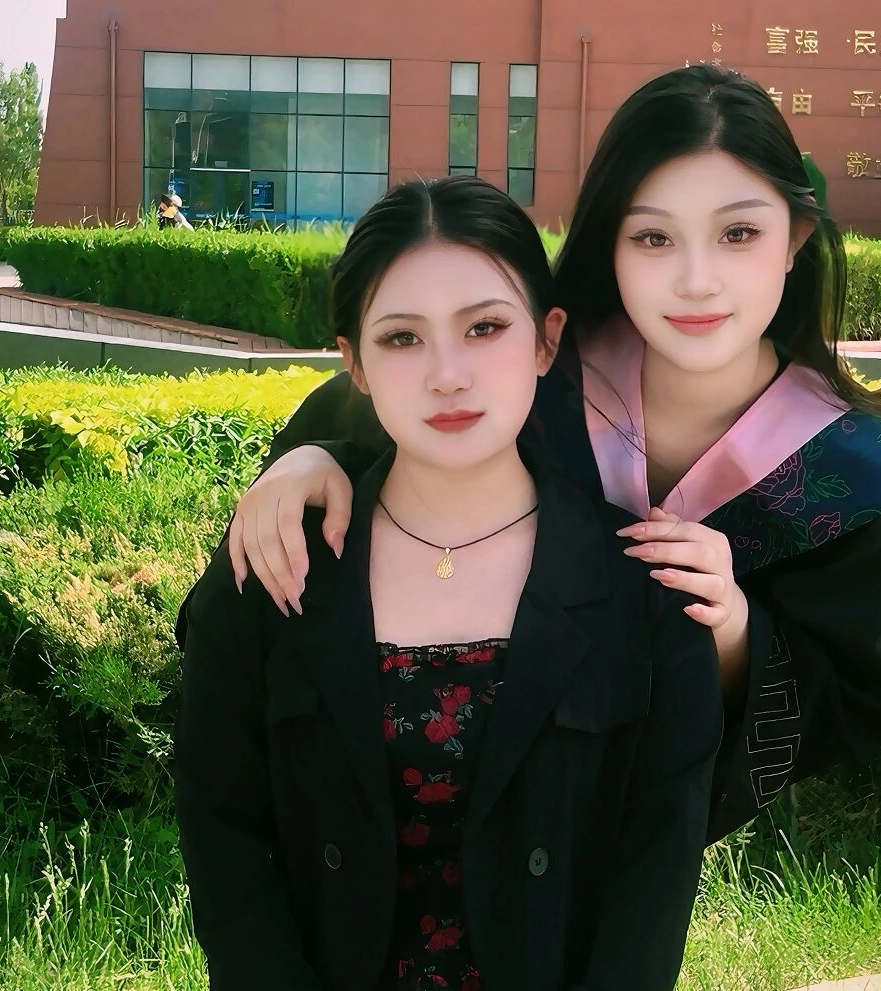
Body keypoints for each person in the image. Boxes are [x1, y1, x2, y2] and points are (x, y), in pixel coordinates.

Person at [222, 64, 881, 842]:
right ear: (610, 242)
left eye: (739, 234)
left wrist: (734, 634)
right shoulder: (537, 373)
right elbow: (381, 405)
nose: (697, 281)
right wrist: (310, 457)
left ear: (795, 236)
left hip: (634, 849)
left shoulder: (860, 472)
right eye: (653, 236)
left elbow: (851, 701)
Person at [174, 176, 723, 991]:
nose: (447, 374)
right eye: (402, 338)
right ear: (354, 363)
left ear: (545, 340)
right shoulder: (277, 570)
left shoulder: (645, 593)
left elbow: (654, 876)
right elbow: (223, 837)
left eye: (485, 327)